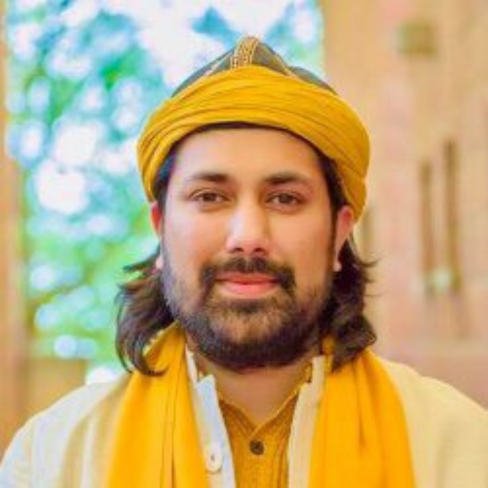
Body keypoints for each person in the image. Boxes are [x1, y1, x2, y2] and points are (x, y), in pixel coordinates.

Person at [1, 36, 487, 488]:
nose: (249, 236)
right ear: (160, 228)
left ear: (339, 233)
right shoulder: (51, 461)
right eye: (210, 196)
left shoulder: (456, 447)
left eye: (285, 199)